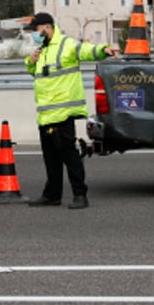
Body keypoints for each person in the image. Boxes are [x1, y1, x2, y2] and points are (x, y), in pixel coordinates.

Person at [24, 12, 119, 209]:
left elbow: (86, 50)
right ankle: (52, 195)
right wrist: (31, 62)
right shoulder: (43, 49)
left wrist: (104, 50)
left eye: (36, 30)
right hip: (46, 115)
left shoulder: (66, 44)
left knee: (69, 155)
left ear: (46, 28)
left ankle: (80, 195)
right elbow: (38, 74)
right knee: (50, 159)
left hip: (62, 113)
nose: (34, 33)